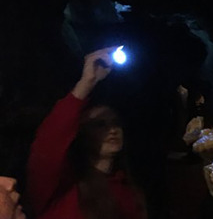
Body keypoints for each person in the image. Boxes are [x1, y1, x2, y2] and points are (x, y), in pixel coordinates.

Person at [27, 47, 146, 219]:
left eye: (115, 123)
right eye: (100, 125)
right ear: (81, 133)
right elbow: (49, 143)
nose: (112, 130)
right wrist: (86, 83)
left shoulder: (128, 191)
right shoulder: (62, 187)